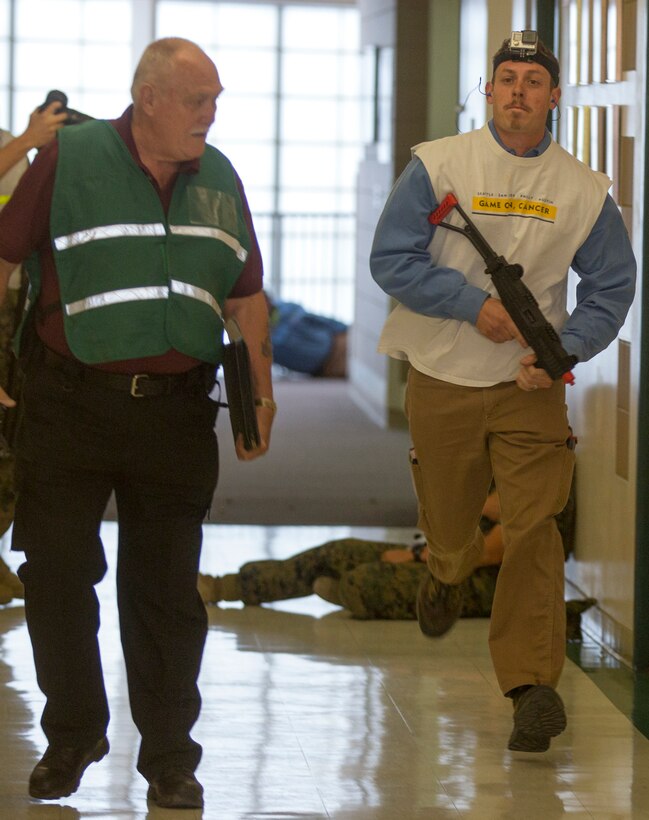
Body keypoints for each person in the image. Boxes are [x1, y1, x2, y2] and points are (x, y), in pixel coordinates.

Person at [0, 38, 274, 810]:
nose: (210, 115)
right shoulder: (70, 156)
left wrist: (261, 385)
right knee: (55, 571)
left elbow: (246, 291)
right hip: (68, 403)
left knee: (163, 593)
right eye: (198, 100)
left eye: (216, 100)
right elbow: (4, 257)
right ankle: (76, 731)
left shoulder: (220, 177)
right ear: (147, 98)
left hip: (177, 413)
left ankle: (168, 759)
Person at [369, 31, 636, 755]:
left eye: (532, 80)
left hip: (529, 386)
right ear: (488, 91)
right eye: (506, 78)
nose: (518, 90)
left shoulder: (583, 190)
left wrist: (565, 352)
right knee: (452, 519)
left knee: (533, 528)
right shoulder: (440, 164)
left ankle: (530, 687)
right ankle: (448, 566)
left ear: (553, 96)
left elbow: (611, 289)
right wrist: (467, 304)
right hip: (440, 371)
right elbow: (390, 258)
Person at [197, 483, 594, 640]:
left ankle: (350, 591)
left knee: (362, 583)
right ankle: (223, 587)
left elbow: (491, 550)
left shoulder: (546, 474)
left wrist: (418, 556)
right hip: (446, 555)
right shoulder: (490, 449)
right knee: (336, 552)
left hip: (487, 580)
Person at [0, 102, 67, 604]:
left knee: (17, 442)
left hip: (19, 309)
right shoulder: (15, 145)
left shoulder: (16, 146)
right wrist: (25, 142)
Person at [265, 291, 348, 377]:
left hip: (338, 343)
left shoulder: (287, 309)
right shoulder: (265, 342)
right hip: (328, 367)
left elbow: (318, 320)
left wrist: (345, 329)